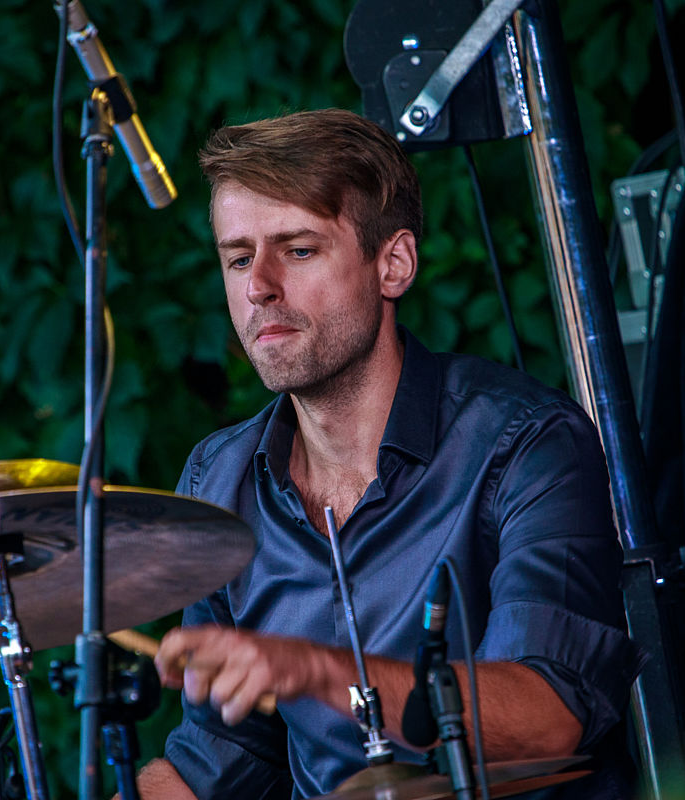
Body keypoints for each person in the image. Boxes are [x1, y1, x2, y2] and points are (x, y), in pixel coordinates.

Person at [135, 108, 645, 799]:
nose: (258, 286)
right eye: (238, 257)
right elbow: (225, 754)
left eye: (298, 250)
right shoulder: (218, 478)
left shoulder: (526, 442)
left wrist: (314, 670)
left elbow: (549, 714)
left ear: (393, 264)